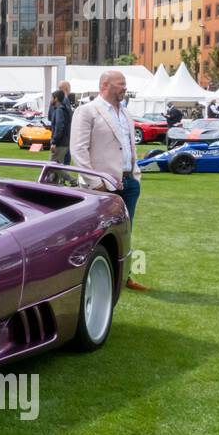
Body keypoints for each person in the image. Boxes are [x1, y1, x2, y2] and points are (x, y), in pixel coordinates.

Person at [70, 70, 146, 291]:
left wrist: (135, 175)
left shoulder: (126, 113)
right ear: (105, 85)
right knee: (98, 236)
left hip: (129, 183)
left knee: (125, 233)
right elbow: (78, 150)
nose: (125, 88)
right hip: (102, 188)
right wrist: (97, 183)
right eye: (121, 84)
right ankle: (96, 281)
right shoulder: (87, 111)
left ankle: (125, 276)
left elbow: (130, 147)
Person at [48, 89, 71, 165]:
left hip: (59, 144)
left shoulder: (59, 110)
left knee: (52, 167)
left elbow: (59, 127)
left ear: (56, 99)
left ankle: (70, 178)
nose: (50, 100)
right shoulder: (64, 109)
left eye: (52, 98)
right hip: (63, 143)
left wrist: (54, 142)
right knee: (55, 171)